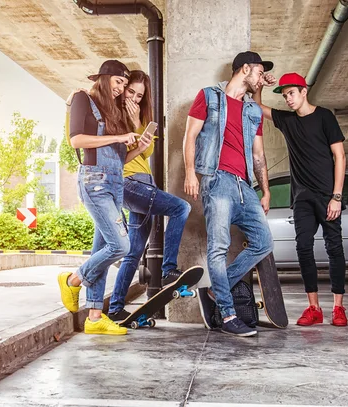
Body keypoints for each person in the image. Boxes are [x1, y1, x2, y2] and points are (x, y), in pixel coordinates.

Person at [57, 60, 153, 335]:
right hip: (94, 182)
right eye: (119, 82)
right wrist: (118, 137)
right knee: (121, 246)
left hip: (115, 184)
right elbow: (76, 140)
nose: (121, 88)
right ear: (104, 78)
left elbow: (121, 161)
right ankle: (73, 280)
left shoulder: (115, 114)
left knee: (104, 246)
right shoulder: (82, 99)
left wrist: (138, 147)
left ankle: (95, 316)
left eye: (125, 84)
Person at [183, 51, 275, 337]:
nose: (261, 77)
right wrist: (190, 173)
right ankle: (227, 313)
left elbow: (258, 155)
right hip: (216, 179)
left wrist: (266, 190)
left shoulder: (253, 111)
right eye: (259, 71)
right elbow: (190, 136)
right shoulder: (208, 96)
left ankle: (215, 290)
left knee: (263, 242)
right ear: (244, 68)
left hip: (244, 185)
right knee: (219, 247)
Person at [253, 72, 348, 327]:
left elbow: (340, 156)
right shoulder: (287, 121)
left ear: (303, 91)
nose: (288, 100)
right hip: (302, 198)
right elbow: (257, 107)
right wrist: (260, 84)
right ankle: (314, 307)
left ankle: (338, 308)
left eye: (291, 93)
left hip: (328, 196)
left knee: (334, 248)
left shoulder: (325, 116)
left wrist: (336, 197)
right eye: (285, 96)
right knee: (304, 248)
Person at [106, 70, 191, 322]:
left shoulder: (141, 120)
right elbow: (119, 150)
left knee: (133, 252)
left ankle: (115, 308)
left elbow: (147, 151)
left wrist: (139, 125)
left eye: (139, 95)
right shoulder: (112, 114)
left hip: (144, 184)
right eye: (130, 91)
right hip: (128, 182)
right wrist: (131, 125)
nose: (133, 97)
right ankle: (168, 270)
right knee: (181, 208)